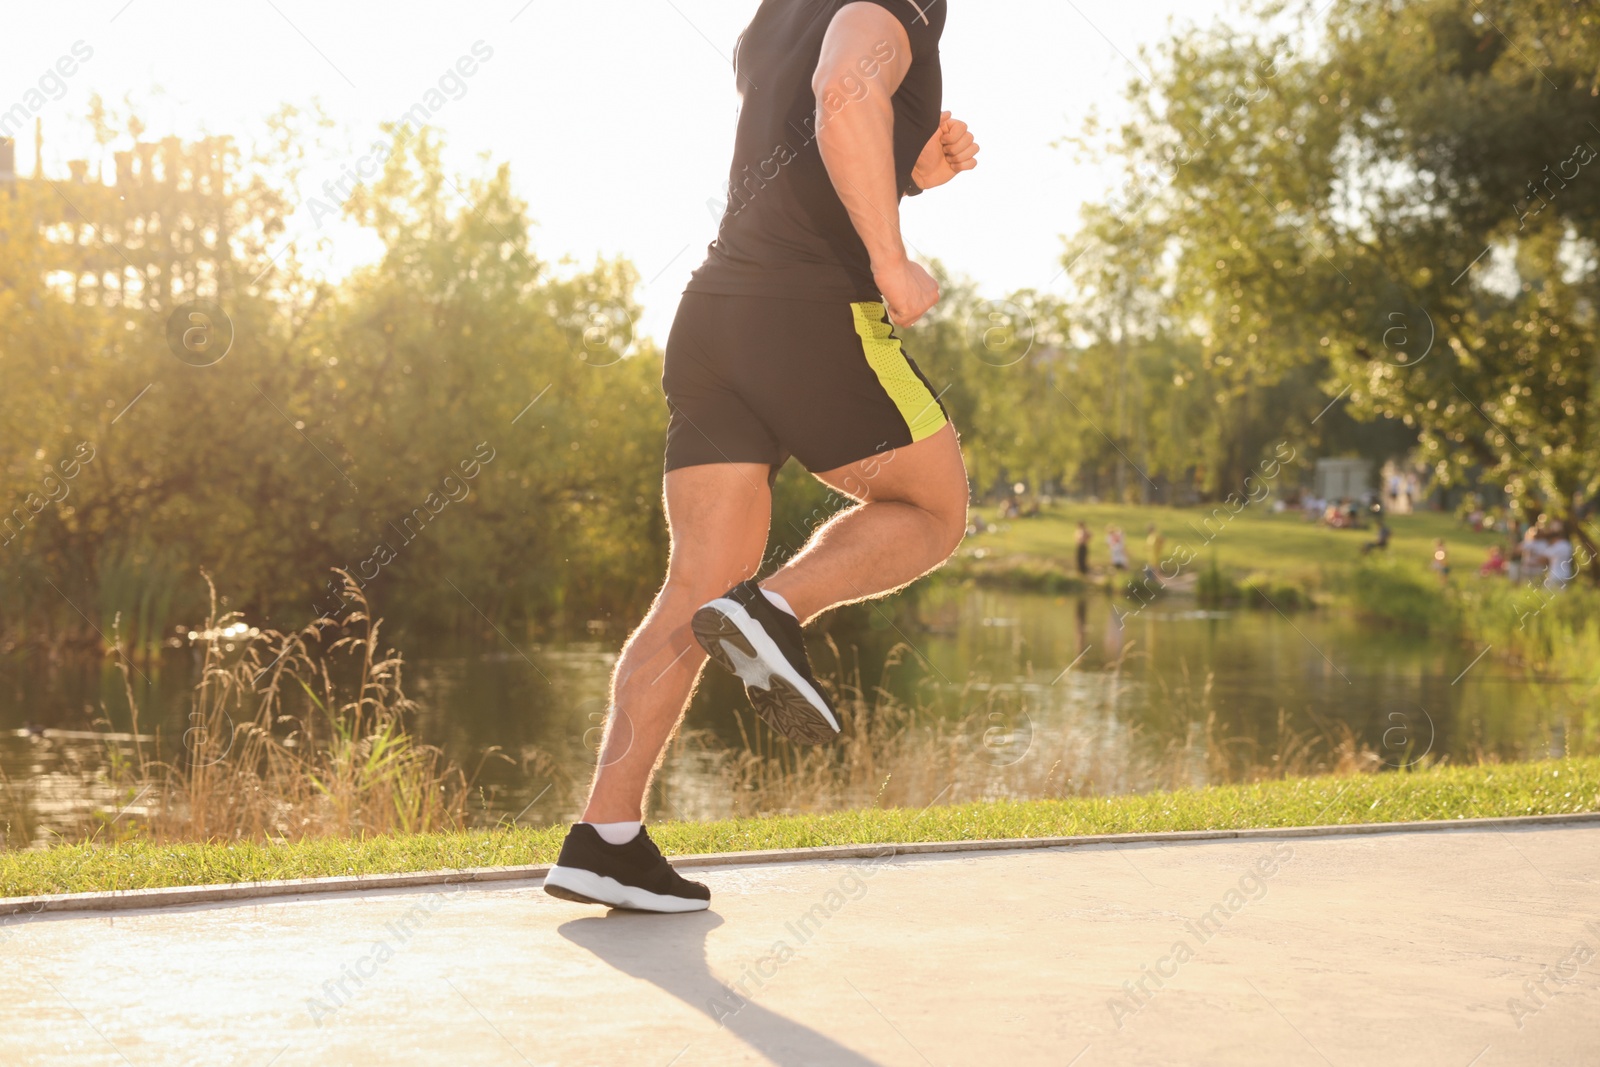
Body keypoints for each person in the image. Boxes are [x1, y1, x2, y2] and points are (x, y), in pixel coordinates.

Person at [544, 0, 977, 913]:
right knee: (934, 511)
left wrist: (912, 173)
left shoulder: (776, 15)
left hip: (716, 315)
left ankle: (604, 834)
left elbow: (804, 140)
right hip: (811, 315)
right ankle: (774, 612)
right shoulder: (890, 7)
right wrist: (893, 259)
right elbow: (839, 95)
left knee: (697, 583)